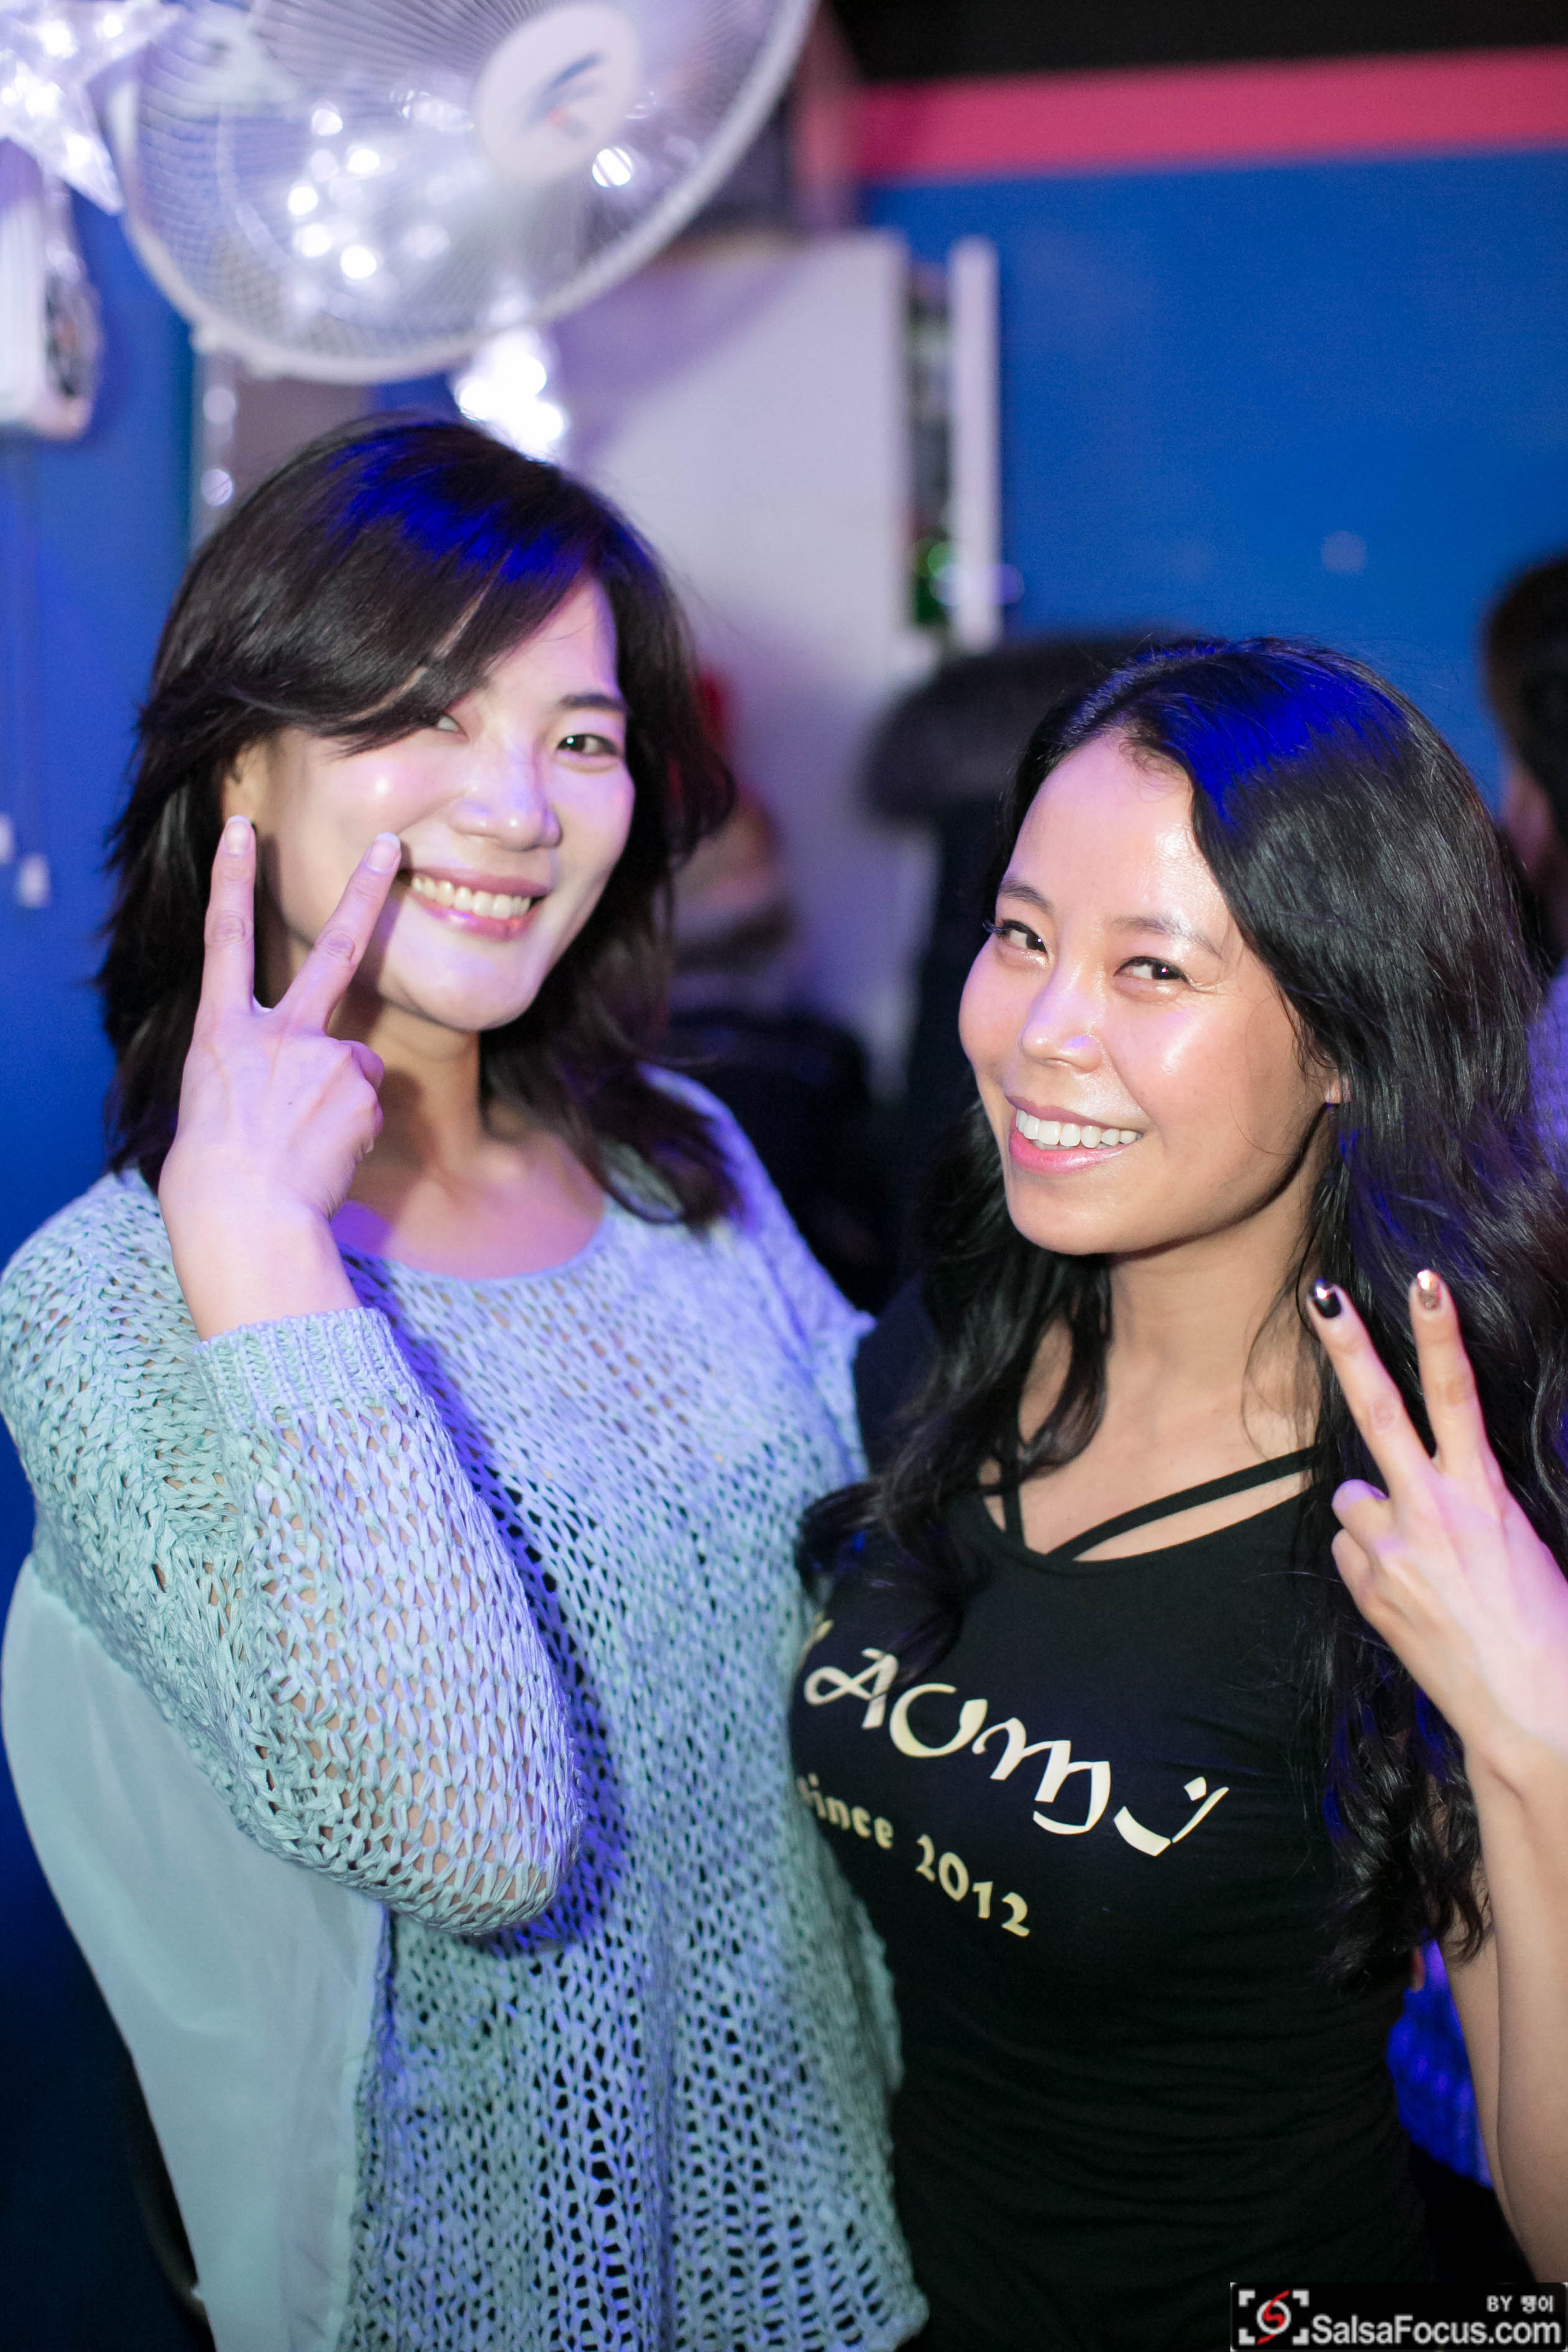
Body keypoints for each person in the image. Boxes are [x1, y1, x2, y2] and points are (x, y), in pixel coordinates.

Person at [0, 418, 922, 2352]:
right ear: (238, 764)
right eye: (425, 713)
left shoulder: (681, 1162)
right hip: (490, 2295)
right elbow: (474, 1840)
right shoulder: (111, 1303)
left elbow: (887, 1565)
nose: (515, 808)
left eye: (580, 737)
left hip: (865, 2237)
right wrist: (262, 1252)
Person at [791, 640, 1568, 2351]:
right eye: (1019, 937)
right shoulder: (943, 1349)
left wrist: (1536, 1732)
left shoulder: (1424, 1532)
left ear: (1349, 1034)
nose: (1039, 1035)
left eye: (1151, 968)